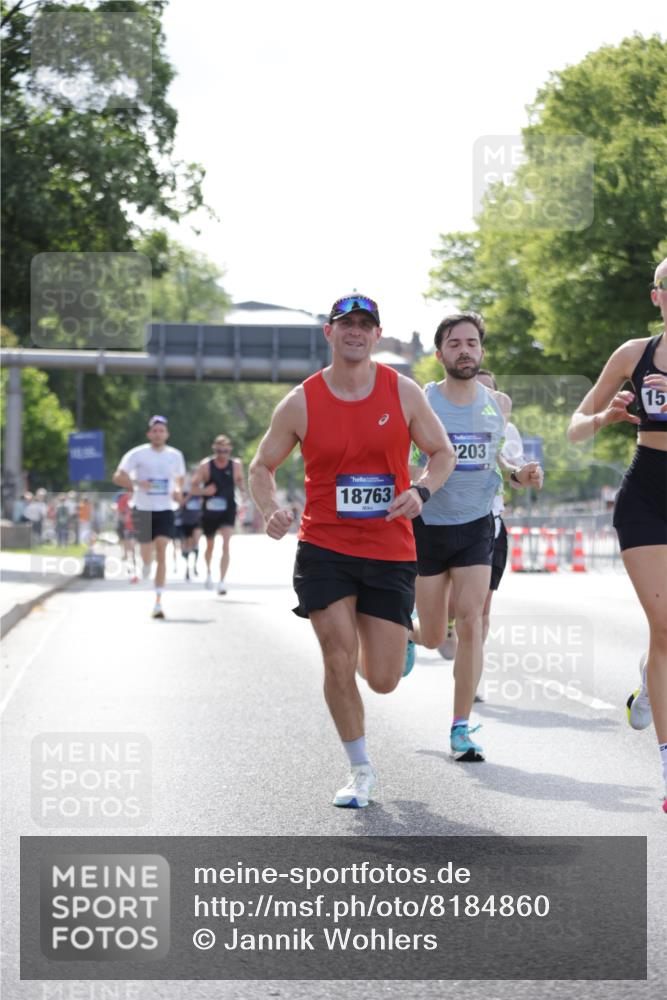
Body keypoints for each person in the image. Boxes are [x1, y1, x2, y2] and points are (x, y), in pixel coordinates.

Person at [249, 293, 455, 808]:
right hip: (324, 546)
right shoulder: (301, 400)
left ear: (377, 335)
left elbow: (442, 453)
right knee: (338, 659)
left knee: (382, 679)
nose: (356, 332)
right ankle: (359, 769)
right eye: (347, 325)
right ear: (330, 333)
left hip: (389, 547)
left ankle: (396, 636)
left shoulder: (402, 392)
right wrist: (269, 507)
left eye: (365, 325)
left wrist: (421, 491)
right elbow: (260, 466)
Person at [409, 313, 543, 762]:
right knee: (432, 637)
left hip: (477, 523)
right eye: (454, 344)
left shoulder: (497, 404)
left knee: (471, 622)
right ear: (440, 353)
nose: (464, 350)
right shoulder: (421, 400)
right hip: (429, 525)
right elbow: (404, 461)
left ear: (481, 350)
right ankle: (412, 636)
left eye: (471, 343)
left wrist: (520, 474)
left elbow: (500, 460)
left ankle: (460, 727)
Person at [567, 258, 667, 814]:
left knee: (665, 636)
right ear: (657, 297)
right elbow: (575, 426)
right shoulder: (635, 354)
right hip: (648, 496)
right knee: (666, 626)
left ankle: (650, 681)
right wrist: (607, 415)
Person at [439, 369, 525, 666]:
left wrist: (525, 474)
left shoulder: (507, 429)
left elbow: (514, 474)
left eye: (490, 393)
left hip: (490, 522)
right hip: (448, 521)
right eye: (478, 390)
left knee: (480, 608)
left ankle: (471, 671)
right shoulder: (443, 423)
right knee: (452, 605)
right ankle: (439, 626)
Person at [112, 415, 185, 618]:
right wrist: (137, 484)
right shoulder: (137, 454)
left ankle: (158, 601)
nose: (158, 434)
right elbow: (118, 476)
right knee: (146, 553)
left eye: (162, 430)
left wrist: (178, 490)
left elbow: (180, 478)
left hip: (165, 509)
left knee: (162, 548)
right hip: (142, 509)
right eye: (155, 430)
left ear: (167, 434)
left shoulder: (175, 455)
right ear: (149, 434)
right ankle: (145, 564)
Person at [190, 435, 246, 595]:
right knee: (210, 545)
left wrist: (244, 494)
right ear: (214, 450)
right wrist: (204, 491)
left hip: (228, 508)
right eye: (219, 451)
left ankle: (222, 581)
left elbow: (241, 482)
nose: (223, 454)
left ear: (230, 450)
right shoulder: (205, 466)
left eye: (226, 451)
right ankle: (208, 573)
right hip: (209, 510)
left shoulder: (236, 465)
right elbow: (193, 488)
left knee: (226, 544)